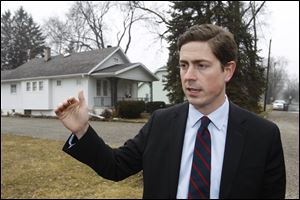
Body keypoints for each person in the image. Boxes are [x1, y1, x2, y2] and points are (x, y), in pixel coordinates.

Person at [55, 24, 286, 199]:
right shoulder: (161, 123)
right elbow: (115, 166)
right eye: (184, 65)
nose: (189, 76)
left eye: (201, 65)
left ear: (228, 70)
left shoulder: (263, 136)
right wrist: (82, 130)